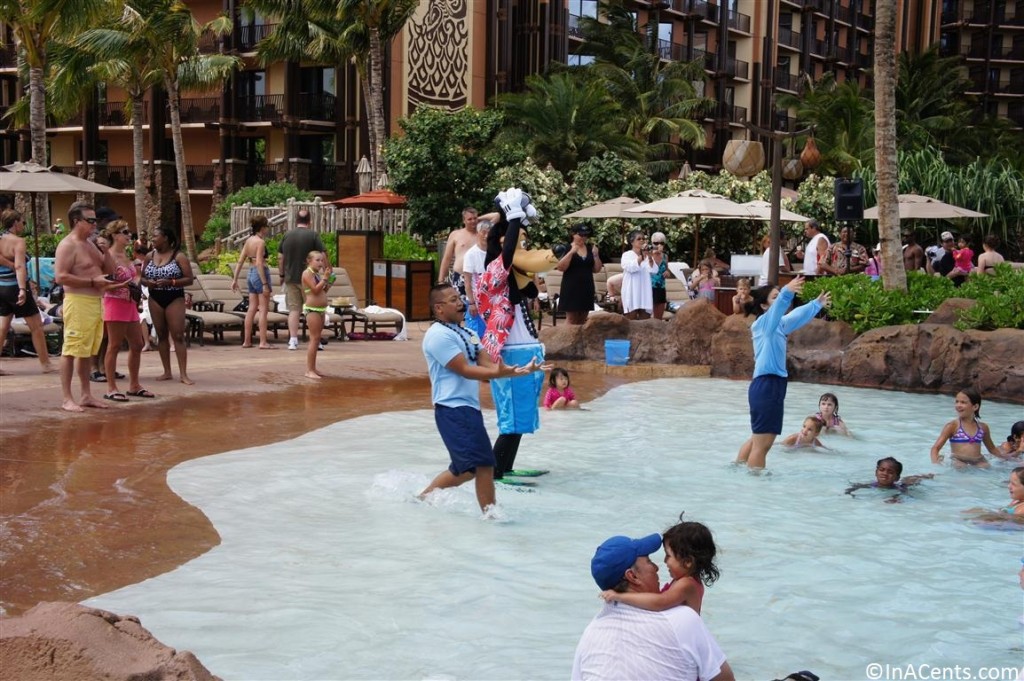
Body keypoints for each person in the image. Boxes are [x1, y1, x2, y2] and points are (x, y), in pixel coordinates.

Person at [419, 283, 543, 514]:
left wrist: (520, 370)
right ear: (438, 308)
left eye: (459, 298)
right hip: (451, 408)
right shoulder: (437, 336)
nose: (460, 303)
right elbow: (464, 369)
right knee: (484, 464)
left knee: (465, 469)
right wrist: (498, 373)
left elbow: (488, 364)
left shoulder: (469, 333)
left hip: (468, 408)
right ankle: (492, 515)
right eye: (453, 300)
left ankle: (422, 499)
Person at [572, 533, 734, 681]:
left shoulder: (589, 634)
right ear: (632, 576)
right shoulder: (682, 620)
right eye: (649, 561)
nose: (657, 567)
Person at [477, 188, 554, 480]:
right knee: (510, 417)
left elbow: (531, 287)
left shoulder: (512, 278)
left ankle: (506, 467)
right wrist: (513, 219)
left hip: (527, 350)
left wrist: (518, 224)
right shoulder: (492, 273)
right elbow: (507, 253)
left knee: (522, 413)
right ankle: (495, 472)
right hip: (510, 353)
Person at [735, 276, 830, 469]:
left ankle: (736, 470)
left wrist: (816, 304)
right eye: (774, 297)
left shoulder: (778, 325)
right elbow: (779, 309)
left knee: (757, 439)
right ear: (763, 306)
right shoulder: (763, 324)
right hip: (767, 385)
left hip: (772, 386)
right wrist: (786, 292)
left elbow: (796, 316)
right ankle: (756, 484)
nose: (779, 301)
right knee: (763, 446)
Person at [54, 201, 131, 412]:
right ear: (76, 221)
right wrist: (91, 282)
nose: (95, 224)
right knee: (71, 349)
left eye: (95, 220)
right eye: (90, 220)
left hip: (95, 302)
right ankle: (67, 397)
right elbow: (60, 276)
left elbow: (110, 270)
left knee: (86, 351)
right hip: (78, 301)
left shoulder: (91, 243)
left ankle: (86, 394)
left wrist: (105, 252)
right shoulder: (68, 245)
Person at [600, 520, 719, 616]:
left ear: (688, 562)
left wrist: (620, 597)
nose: (664, 561)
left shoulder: (687, 584)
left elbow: (660, 602)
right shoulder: (683, 581)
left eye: (668, 555)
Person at [100, 220, 152, 401]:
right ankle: (111, 387)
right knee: (114, 345)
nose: (129, 235)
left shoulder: (126, 255)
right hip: (114, 302)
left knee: (137, 344)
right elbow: (102, 283)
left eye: (129, 232)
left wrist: (135, 283)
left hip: (130, 303)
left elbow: (134, 276)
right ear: (114, 235)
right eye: (124, 232)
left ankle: (134, 384)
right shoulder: (109, 256)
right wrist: (119, 285)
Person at [0, 209, 55, 375]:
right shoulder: (18, 241)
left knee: (2, 327)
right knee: (36, 326)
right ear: (15, 223)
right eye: (22, 222)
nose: (23, 225)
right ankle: (46, 364)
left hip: (1, 286)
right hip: (15, 286)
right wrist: (23, 288)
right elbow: (19, 266)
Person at [140, 226, 194, 385]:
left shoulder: (179, 256)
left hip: (174, 296)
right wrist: (147, 283)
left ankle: (183, 374)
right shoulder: (149, 256)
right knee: (161, 335)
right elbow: (142, 278)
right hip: (155, 297)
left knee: (177, 335)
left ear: (166, 238)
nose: (153, 239)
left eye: (156, 236)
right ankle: (167, 371)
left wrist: (172, 282)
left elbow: (189, 279)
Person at [278, 208, 325, 351]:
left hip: (291, 278)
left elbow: (281, 257)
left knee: (294, 310)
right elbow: (323, 254)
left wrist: (281, 275)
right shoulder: (313, 235)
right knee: (313, 310)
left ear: (296, 220)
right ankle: (315, 340)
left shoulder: (287, 235)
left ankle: (293, 340)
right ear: (309, 221)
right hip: (309, 279)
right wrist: (327, 270)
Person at [929, 388, 1003, 468]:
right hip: (958, 460)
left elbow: (992, 449)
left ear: (975, 407)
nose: (958, 405)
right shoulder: (952, 426)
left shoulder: (983, 428)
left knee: (986, 466)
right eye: (957, 401)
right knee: (960, 467)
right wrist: (935, 463)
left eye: (963, 402)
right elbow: (935, 448)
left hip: (978, 460)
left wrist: (1006, 458)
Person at [231, 215, 274, 349]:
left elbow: (240, 260)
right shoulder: (260, 242)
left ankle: (247, 341)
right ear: (262, 228)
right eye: (266, 226)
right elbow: (260, 263)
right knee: (263, 310)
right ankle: (262, 341)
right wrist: (265, 284)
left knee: (251, 308)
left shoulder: (249, 240)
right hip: (259, 273)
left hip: (250, 273)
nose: (267, 229)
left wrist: (235, 279)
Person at [556, 223, 601, 325]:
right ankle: (566, 340)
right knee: (572, 319)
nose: (584, 238)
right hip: (571, 287)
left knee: (582, 318)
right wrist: (571, 252)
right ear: (573, 234)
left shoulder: (590, 249)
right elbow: (561, 267)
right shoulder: (566, 248)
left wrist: (596, 255)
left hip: (586, 287)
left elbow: (596, 269)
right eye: (581, 235)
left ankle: (579, 340)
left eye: (586, 235)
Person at [845, 457, 934, 503]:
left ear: (896, 477)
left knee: (910, 481)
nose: (885, 473)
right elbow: (853, 488)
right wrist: (849, 495)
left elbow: (905, 495)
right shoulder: (870, 485)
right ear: (876, 472)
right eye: (881, 470)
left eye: (890, 472)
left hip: (902, 485)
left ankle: (926, 476)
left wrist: (896, 499)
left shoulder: (899, 489)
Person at [300, 251, 332, 379]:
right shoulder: (306, 273)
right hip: (312, 309)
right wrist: (324, 278)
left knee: (317, 339)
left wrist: (328, 281)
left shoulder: (316, 274)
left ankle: (313, 368)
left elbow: (323, 290)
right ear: (309, 261)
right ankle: (309, 370)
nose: (320, 263)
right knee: (314, 339)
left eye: (321, 260)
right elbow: (315, 290)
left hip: (320, 309)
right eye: (317, 260)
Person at [461, 217, 492, 338]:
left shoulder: (495, 252)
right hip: (477, 302)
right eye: (483, 232)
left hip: (492, 302)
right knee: (474, 335)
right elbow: (467, 282)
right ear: (478, 233)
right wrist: (471, 303)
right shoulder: (471, 254)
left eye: (489, 233)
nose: (486, 236)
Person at [437, 207, 480, 289]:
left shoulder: (482, 234)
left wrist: (480, 219)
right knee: (458, 301)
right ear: (464, 221)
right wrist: (441, 281)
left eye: (475, 218)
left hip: (478, 278)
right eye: (469, 219)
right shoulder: (456, 234)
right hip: (460, 276)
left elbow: (496, 216)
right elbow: (447, 259)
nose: (473, 221)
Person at [620, 230, 655, 319]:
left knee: (645, 323)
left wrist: (650, 257)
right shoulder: (626, 255)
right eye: (639, 239)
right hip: (631, 292)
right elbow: (631, 268)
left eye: (643, 239)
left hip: (645, 292)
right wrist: (642, 256)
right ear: (632, 242)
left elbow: (654, 270)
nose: (642, 241)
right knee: (631, 323)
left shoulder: (647, 255)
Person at [650, 232, 669, 319]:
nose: (659, 245)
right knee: (650, 315)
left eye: (661, 243)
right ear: (652, 243)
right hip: (649, 287)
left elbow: (666, 269)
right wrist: (654, 253)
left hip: (661, 287)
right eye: (656, 243)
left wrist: (667, 272)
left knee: (659, 317)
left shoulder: (665, 256)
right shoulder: (648, 255)